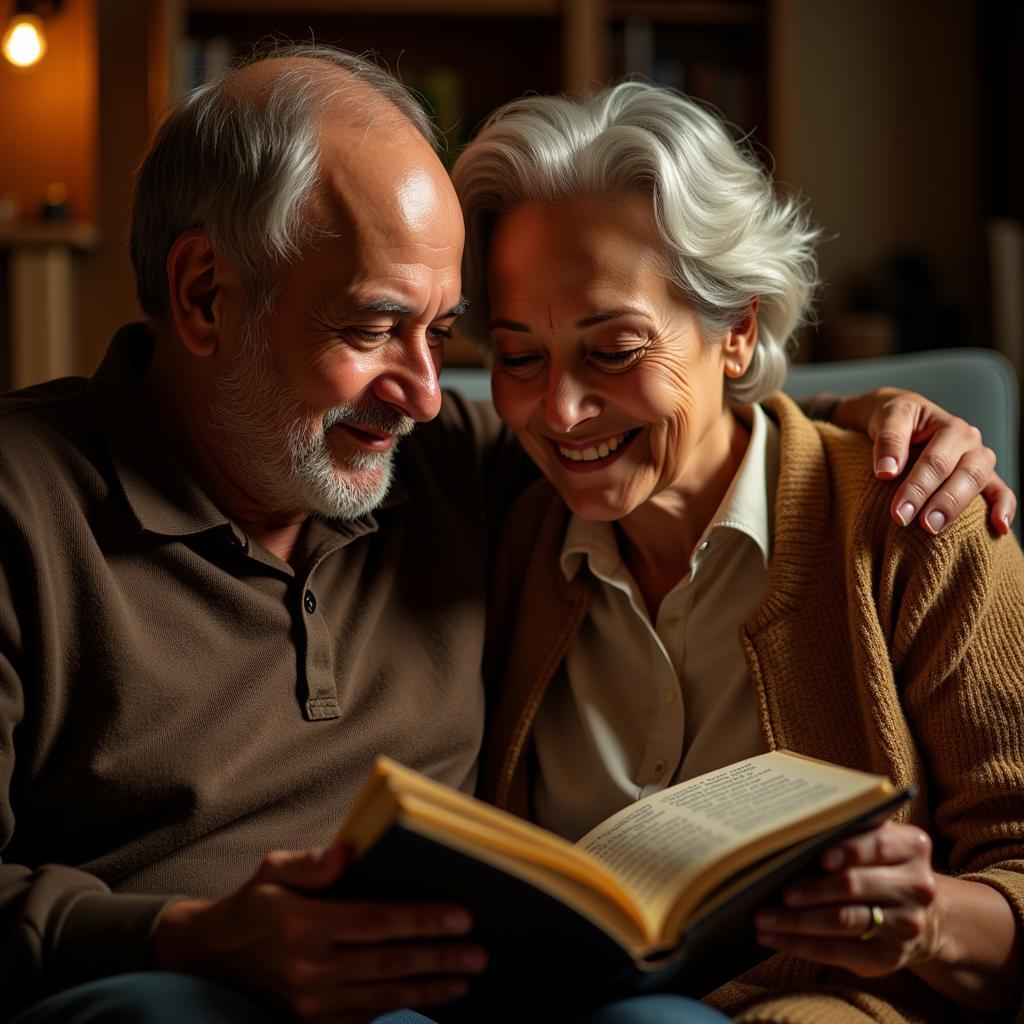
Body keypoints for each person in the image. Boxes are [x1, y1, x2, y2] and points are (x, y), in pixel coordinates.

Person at [0, 45, 1014, 1024]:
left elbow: (705, 438)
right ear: (202, 295)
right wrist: (180, 938)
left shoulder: (451, 467)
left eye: (443, 336)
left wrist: (882, 419)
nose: (433, 395)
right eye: (369, 328)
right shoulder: (28, 504)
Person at [451, 82, 1024, 1022]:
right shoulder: (510, 529)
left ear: (739, 330)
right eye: (519, 358)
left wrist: (922, 922)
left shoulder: (918, 520)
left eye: (615, 350)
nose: (557, 412)